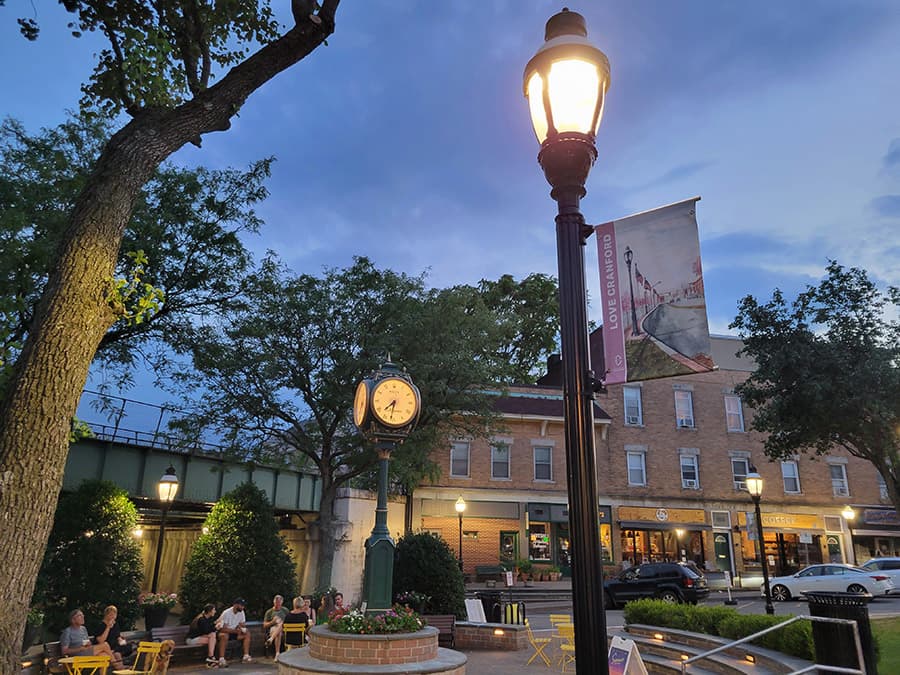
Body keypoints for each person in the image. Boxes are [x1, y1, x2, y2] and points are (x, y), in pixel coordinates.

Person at [215, 598, 252, 666]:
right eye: (241, 605)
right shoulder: (226, 613)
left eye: (243, 605)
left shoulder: (241, 612)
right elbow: (222, 629)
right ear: (235, 605)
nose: (243, 607)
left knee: (247, 633)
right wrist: (235, 631)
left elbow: (242, 624)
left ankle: (246, 656)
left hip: (234, 633)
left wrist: (241, 628)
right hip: (224, 632)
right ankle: (221, 659)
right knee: (224, 636)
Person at [91, 605, 127, 669]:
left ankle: (121, 669)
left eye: (115, 614)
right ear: (106, 615)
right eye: (111, 614)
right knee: (111, 655)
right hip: (102, 649)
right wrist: (108, 627)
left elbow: (118, 636)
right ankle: (119, 667)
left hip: (114, 648)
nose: (113, 617)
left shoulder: (115, 625)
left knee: (118, 654)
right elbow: (101, 641)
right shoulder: (100, 625)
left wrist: (122, 641)